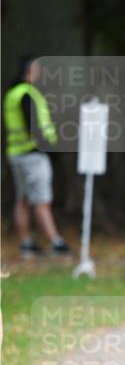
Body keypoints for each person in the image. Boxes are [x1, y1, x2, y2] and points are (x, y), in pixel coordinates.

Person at [3, 55, 72, 259]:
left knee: (23, 198)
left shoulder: (12, 93)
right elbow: (33, 125)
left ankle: (26, 244)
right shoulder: (27, 93)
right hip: (33, 154)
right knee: (42, 199)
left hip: (16, 153)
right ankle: (55, 242)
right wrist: (51, 148)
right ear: (30, 70)